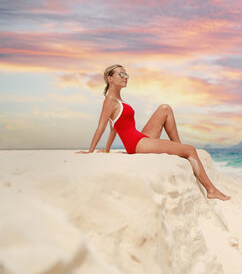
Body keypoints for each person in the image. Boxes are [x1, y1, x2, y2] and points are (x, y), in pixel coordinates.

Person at [77, 64, 231, 201]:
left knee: (165, 108)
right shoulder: (109, 100)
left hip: (140, 137)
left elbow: (113, 128)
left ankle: (178, 148)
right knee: (190, 149)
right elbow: (101, 127)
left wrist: (107, 150)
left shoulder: (119, 101)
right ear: (109, 79)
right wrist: (90, 151)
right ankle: (211, 190)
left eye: (126, 75)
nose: (125, 78)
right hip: (136, 144)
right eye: (121, 74)